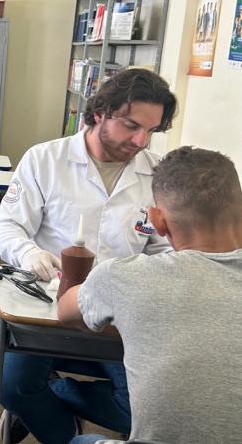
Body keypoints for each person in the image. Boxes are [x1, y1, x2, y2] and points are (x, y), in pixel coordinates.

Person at [0, 67, 178, 443]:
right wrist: (29, 253)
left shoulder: (157, 175)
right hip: (46, 311)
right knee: (8, 385)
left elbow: (165, 246)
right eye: (130, 125)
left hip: (122, 320)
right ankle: (62, 430)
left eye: (151, 131)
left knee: (143, 410)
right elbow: (5, 226)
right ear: (100, 111)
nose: (141, 140)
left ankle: (53, 400)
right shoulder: (45, 160)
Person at [58, 146, 242, 444]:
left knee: (82, 442)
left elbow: (65, 311)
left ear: (157, 221)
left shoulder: (124, 276)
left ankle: (61, 398)